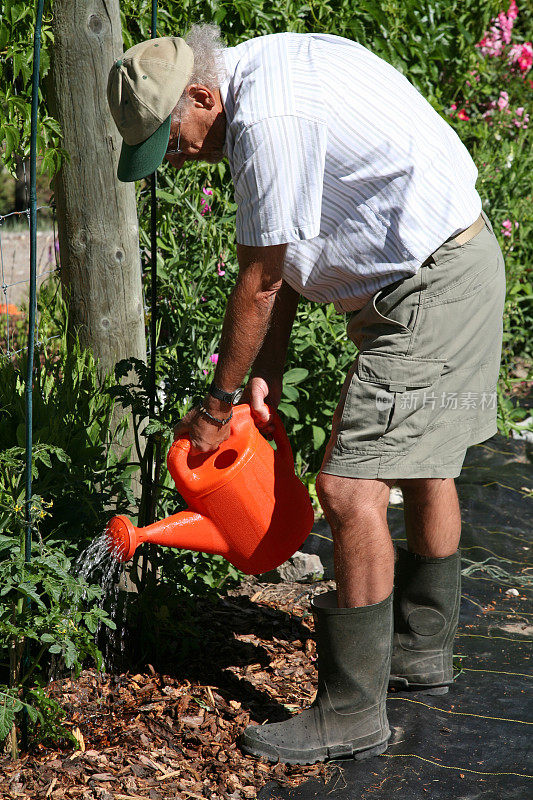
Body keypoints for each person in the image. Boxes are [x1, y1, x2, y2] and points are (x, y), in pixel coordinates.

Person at [107, 25, 506, 765]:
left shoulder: (266, 119)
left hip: (428, 286)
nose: (179, 159)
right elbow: (290, 247)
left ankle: (352, 712)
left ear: (200, 95)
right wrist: (272, 361)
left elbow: (260, 277)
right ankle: (419, 650)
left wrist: (217, 404)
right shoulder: (265, 71)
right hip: (451, 262)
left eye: (174, 139)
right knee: (424, 464)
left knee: (348, 488)